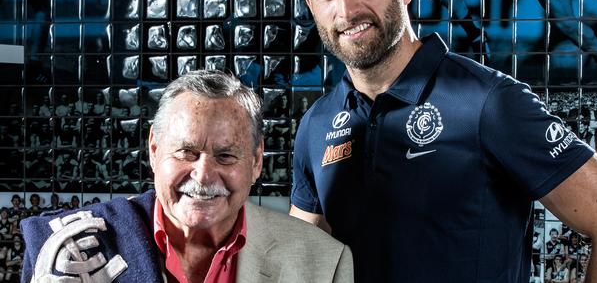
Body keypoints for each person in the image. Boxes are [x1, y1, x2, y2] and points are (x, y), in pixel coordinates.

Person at [290, 0, 597, 282]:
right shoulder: (317, 124)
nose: (348, 9)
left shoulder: (489, 102)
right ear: (311, 6)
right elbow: (302, 264)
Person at [20, 70, 353, 282]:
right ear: (153, 150)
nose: (204, 174)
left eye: (225, 155)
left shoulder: (324, 264)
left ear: (255, 161)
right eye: (186, 152)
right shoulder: (70, 248)